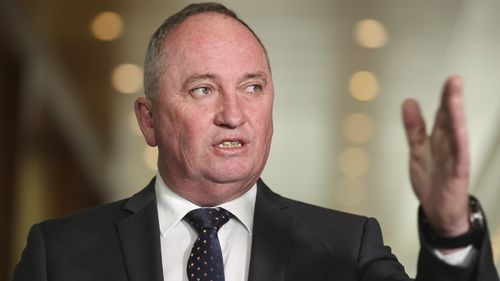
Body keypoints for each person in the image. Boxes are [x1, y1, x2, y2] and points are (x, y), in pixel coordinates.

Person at [13, 2, 499, 281]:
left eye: (253, 87)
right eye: (203, 89)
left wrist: (452, 227)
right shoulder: (60, 254)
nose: (232, 114)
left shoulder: (345, 249)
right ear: (149, 121)